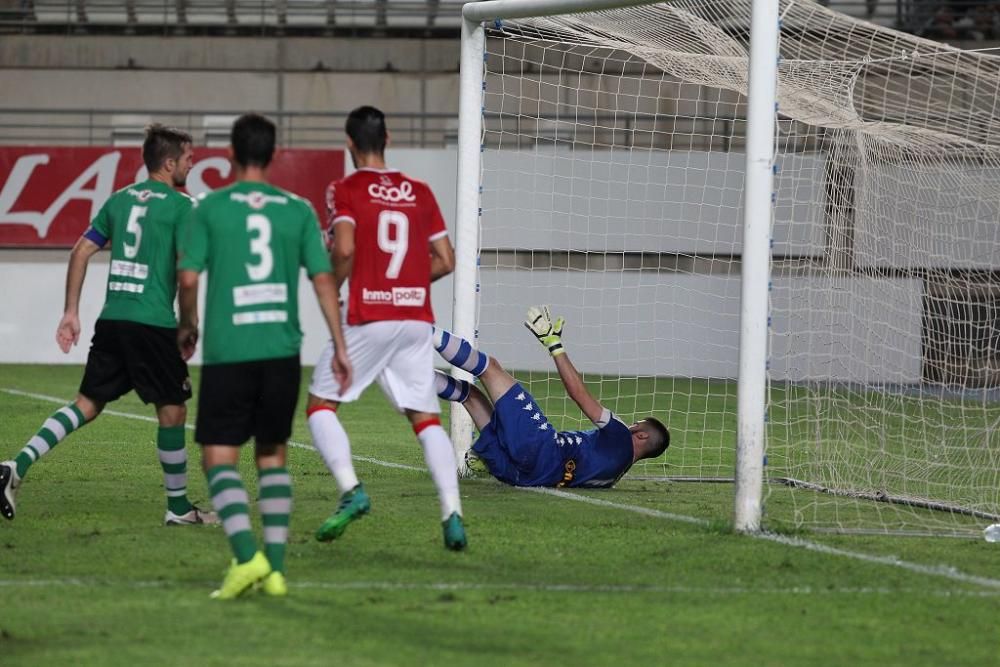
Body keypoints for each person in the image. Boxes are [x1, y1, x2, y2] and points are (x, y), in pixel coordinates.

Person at [0, 124, 217, 528]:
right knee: (172, 410)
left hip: (114, 318)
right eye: (189, 157)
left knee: (87, 403)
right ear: (169, 163)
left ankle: (15, 464)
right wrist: (190, 325)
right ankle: (178, 507)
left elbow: (81, 249)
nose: (193, 162)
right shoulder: (184, 208)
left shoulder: (118, 201)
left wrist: (71, 311)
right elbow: (188, 276)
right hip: (152, 323)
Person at [176, 113, 352, 600]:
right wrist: (339, 345)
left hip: (230, 351)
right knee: (273, 457)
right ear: (274, 156)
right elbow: (322, 280)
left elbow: (188, 278)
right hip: (281, 350)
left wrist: (187, 325)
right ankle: (274, 570)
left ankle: (246, 556)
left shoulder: (209, 208)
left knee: (218, 456)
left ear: (230, 155)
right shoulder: (296, 209)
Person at [306, 105, 467, 550]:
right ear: (388, 138)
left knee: (321, 405)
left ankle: (351, 490)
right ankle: (452, 513)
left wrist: (333, 285)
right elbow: (447, 260)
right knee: (424, 418)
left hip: (369, 316)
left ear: (350, 144)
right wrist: (410, 285)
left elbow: (343, 249)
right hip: (417, 319)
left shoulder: (345, 188)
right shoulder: (419, 190)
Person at [433, 305, 670, 488]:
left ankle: (422, 330)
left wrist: (554, 345)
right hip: (520, 477)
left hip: (540, 449)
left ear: (641, 435)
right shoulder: (613, 477)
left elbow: (580, 396)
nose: (630, 424)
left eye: (635, 424)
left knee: (490, 368)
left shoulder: (619, 435)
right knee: (471, 396)